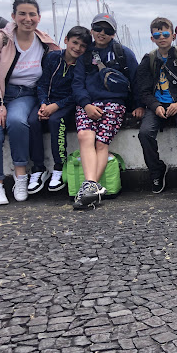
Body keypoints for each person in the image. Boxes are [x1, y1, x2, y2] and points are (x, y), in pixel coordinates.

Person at [0, 0, 60, 205]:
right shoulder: (0, 39)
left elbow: (58, 66)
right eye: (22, 14)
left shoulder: (45, 41)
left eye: (32, 14)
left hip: (25, 94)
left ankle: (21, 177)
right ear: (13, 16)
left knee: (18, 122)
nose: (27, 19)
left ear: (39, 17)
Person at [70, 13, 143, 209]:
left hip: (114, 103)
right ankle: (92, 187)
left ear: (113, 33)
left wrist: (138, 104)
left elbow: (136, 80)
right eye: (98, 28)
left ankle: (89, 187)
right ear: (92, 30)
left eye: (108, 30)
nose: (102, 33)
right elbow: (77, 84)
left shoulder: (123, 53)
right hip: (88, 103)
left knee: (101, 143)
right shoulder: (85, 55)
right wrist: (86, 105)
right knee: (85, 136)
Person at [136, 17, 177, 194]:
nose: (162, 38)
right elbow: (143, 90)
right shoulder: (148, 60)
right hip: (156, 104)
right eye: (157, 35)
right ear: (152, 38)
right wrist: (155, 105)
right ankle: (157, 171)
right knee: (144, 134)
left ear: (173, 36)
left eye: (165, 34)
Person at [27, 26, 92, 194]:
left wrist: (56, 106)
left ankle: (59, 166)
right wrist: (43, 104)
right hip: (47, 101)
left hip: (68, 103)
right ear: (66, 40)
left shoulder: (83, 65)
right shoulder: (52, 57)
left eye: (82, 46)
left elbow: (78, 92)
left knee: (56, 121)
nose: (77, 48)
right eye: (74, 43)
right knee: (33, 121)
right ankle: (38, 168)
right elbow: (42, 83)